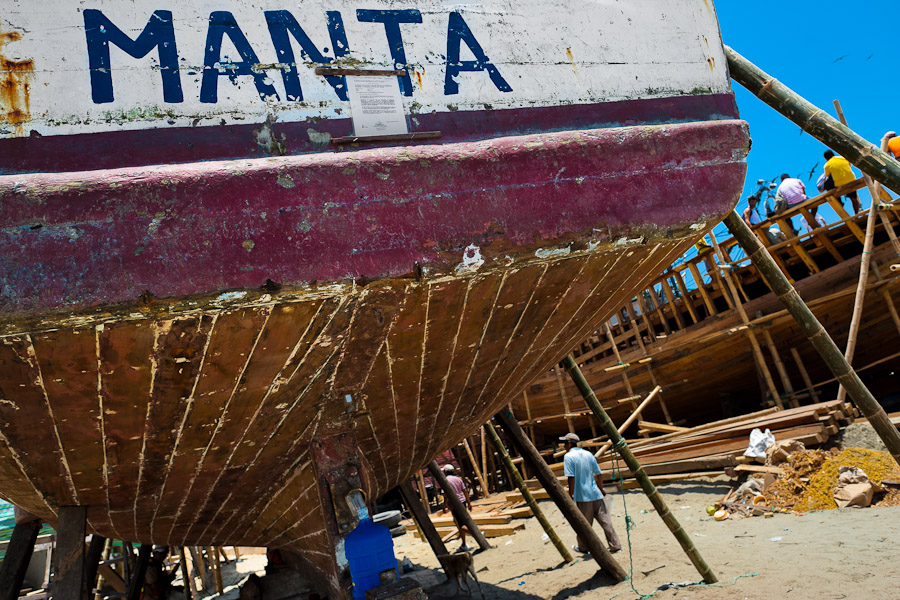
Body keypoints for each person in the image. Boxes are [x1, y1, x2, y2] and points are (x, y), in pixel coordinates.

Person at [560, 432, 621, 554]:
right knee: (606, 521)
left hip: (583, 496)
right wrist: (601, 488)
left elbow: (571, 478)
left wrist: (570, 495)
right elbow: (599, 473)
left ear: (570, 443)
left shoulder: (568, 457)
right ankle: (615, 545)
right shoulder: (588, 454)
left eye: (564, 443)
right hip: (596, 494)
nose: (563, 446)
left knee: (584, 525)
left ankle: (583, 547)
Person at [440, 464, 472, 552]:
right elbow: (465, 491)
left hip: (454, 505)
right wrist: (469, 503)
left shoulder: (444, 481)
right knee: (463, 522)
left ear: (445, 472)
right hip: (462, 502)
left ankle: (476, 534)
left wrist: (444, 506)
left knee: (460, 525)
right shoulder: (458, 479)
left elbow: (446, 496)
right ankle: (464, 544)